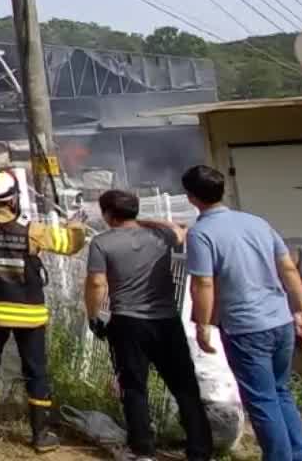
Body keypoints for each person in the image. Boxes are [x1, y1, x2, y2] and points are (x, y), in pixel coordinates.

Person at [0, 169, 91, 453]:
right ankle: (41, 435)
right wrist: (76, 227)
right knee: (36, 370)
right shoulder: (33, 230)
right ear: (12, 199)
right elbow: (70, 246)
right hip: (30, 314)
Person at [181, 164, 302, 461]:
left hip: (246, 327)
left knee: (262, 399)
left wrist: (203, 325)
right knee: (281, 392)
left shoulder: (201, 234)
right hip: (280, 321)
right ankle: (300, 455)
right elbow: (288, 267)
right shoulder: (257, 223)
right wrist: (300, 309)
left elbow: (203, 283)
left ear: (191, 198)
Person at [84, 190, 213, 461]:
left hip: (128, 323)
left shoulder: (102, 242)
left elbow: (97, 283)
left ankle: (143, 450)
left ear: (108, 214)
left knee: (133, 387)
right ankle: (200, 450)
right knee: (184, 385)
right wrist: (145, 221)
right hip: (166, 321)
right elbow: (179, 231)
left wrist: (94, 315)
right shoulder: (160, 236)